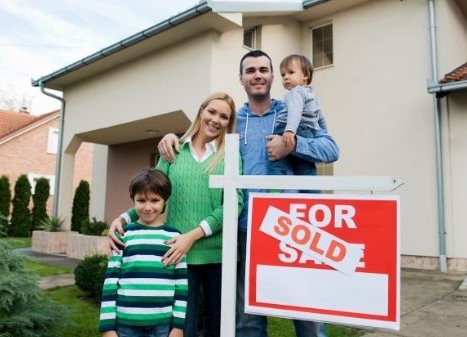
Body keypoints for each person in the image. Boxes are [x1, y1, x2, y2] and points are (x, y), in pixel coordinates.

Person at [156, 50, 339, 337]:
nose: (257, 75)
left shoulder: (295, 111)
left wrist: (292, 145)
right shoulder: (232, 122)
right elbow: (198, 142)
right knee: (246, 320)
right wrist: (170, 137)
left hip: (294, 229)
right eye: (250, 70)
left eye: (263, 69)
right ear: (241, 78)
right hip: (244, 230)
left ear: (272, 76)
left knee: (308, 316)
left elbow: (331, 149)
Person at [108, 92, 244, 337]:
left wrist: (191, 236)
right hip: (177, 255)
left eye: (224, 116)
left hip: (219, 255)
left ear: (229, 122)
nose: (216, 120)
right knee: (183, 328)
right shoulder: (173, 151)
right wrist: (123, 219)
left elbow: (235, 204)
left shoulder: (230, 156)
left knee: (219, 328)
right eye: (211, 112)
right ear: (201, 111)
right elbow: (151, 194)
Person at [99, 168, 187, 337]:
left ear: (165, 201)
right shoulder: (122, 236)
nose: (148, 207)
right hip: (125, 326)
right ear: (133, 200)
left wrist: (178, 326)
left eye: (155, 200)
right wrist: (108, 328)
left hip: (163, 326)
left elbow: (181, 286)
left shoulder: (176, 238)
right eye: (141, 200)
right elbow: (110, 283)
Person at [269, 54, 328, 180]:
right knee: (305, 168)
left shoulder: (296, 92)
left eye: (291, 72)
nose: (286, 77)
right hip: (307, 132)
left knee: (277, 160)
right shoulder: (311, 94)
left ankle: (274, 188)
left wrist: (289, 130)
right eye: (283, 75)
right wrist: (323, 133)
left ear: (305, 75)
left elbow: (295, 112)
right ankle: (312, 193)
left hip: (289, 130)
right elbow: (320, 116)